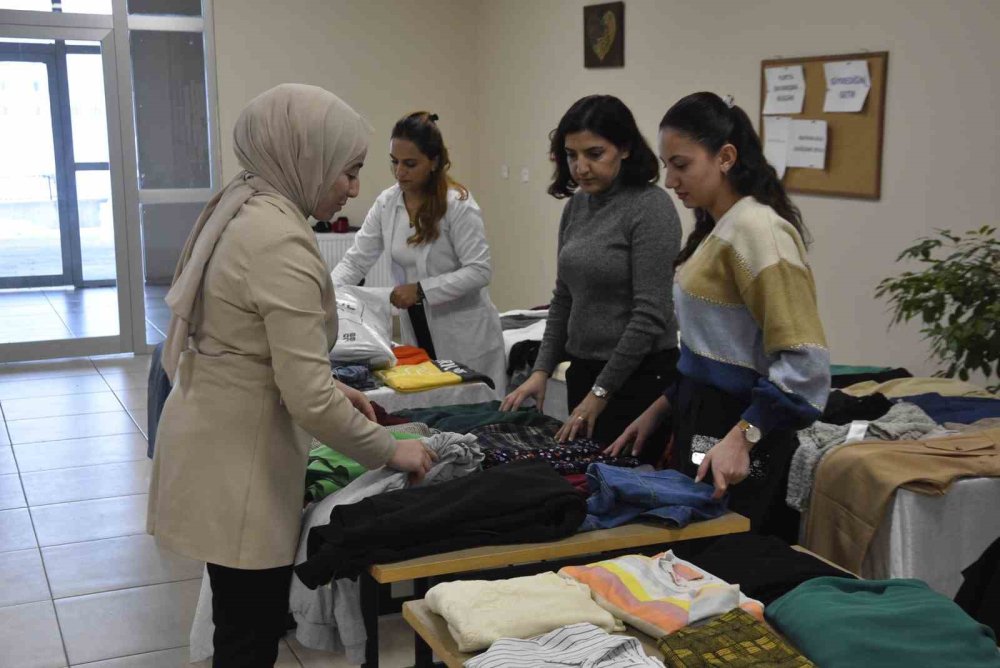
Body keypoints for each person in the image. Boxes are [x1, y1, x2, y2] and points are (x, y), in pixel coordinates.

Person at [146, 84, 435, 668]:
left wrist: (335, 387)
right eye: (349, 171)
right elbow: (307, 399)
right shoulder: (278, 239)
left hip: (216, 437)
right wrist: (390, 451)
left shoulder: (245, 205)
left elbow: (251, 346)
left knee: (240, 623)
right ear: (309, 157)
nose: (354, 187)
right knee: (249, 635)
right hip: (239, 464)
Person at [607, 92, 830, 536]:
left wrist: (742, 438)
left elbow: (806, 364)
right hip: (706, 422)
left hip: (744, 434)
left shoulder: (759, 231)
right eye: (667, 165)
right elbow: (715, 346)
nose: (670, 180)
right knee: (694, 558)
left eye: (681, 164)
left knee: (729, 559)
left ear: (725, 157)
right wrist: (660, 409)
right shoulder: (719, 227)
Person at [501, 95, 682, 464]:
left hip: (639, 379)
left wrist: (601, 392)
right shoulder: (577, 206)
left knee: (623, 487)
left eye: (594, 154)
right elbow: (563, 297)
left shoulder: (651, 208)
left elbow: (650, 314)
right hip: (585, 372)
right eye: (571, 155)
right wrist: (541, 370)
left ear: (625, 148)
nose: (580, 168)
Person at [331, 111, 506, 394]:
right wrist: (327, 295)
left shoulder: (458, 204)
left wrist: (421, 290)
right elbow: (356, 260)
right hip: (418, 329)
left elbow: (479, 270)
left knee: (474, 414)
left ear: (434, 162)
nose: (400, 172)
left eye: (410, 164)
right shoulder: (387, 203)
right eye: (395, 162)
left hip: (465, 334)